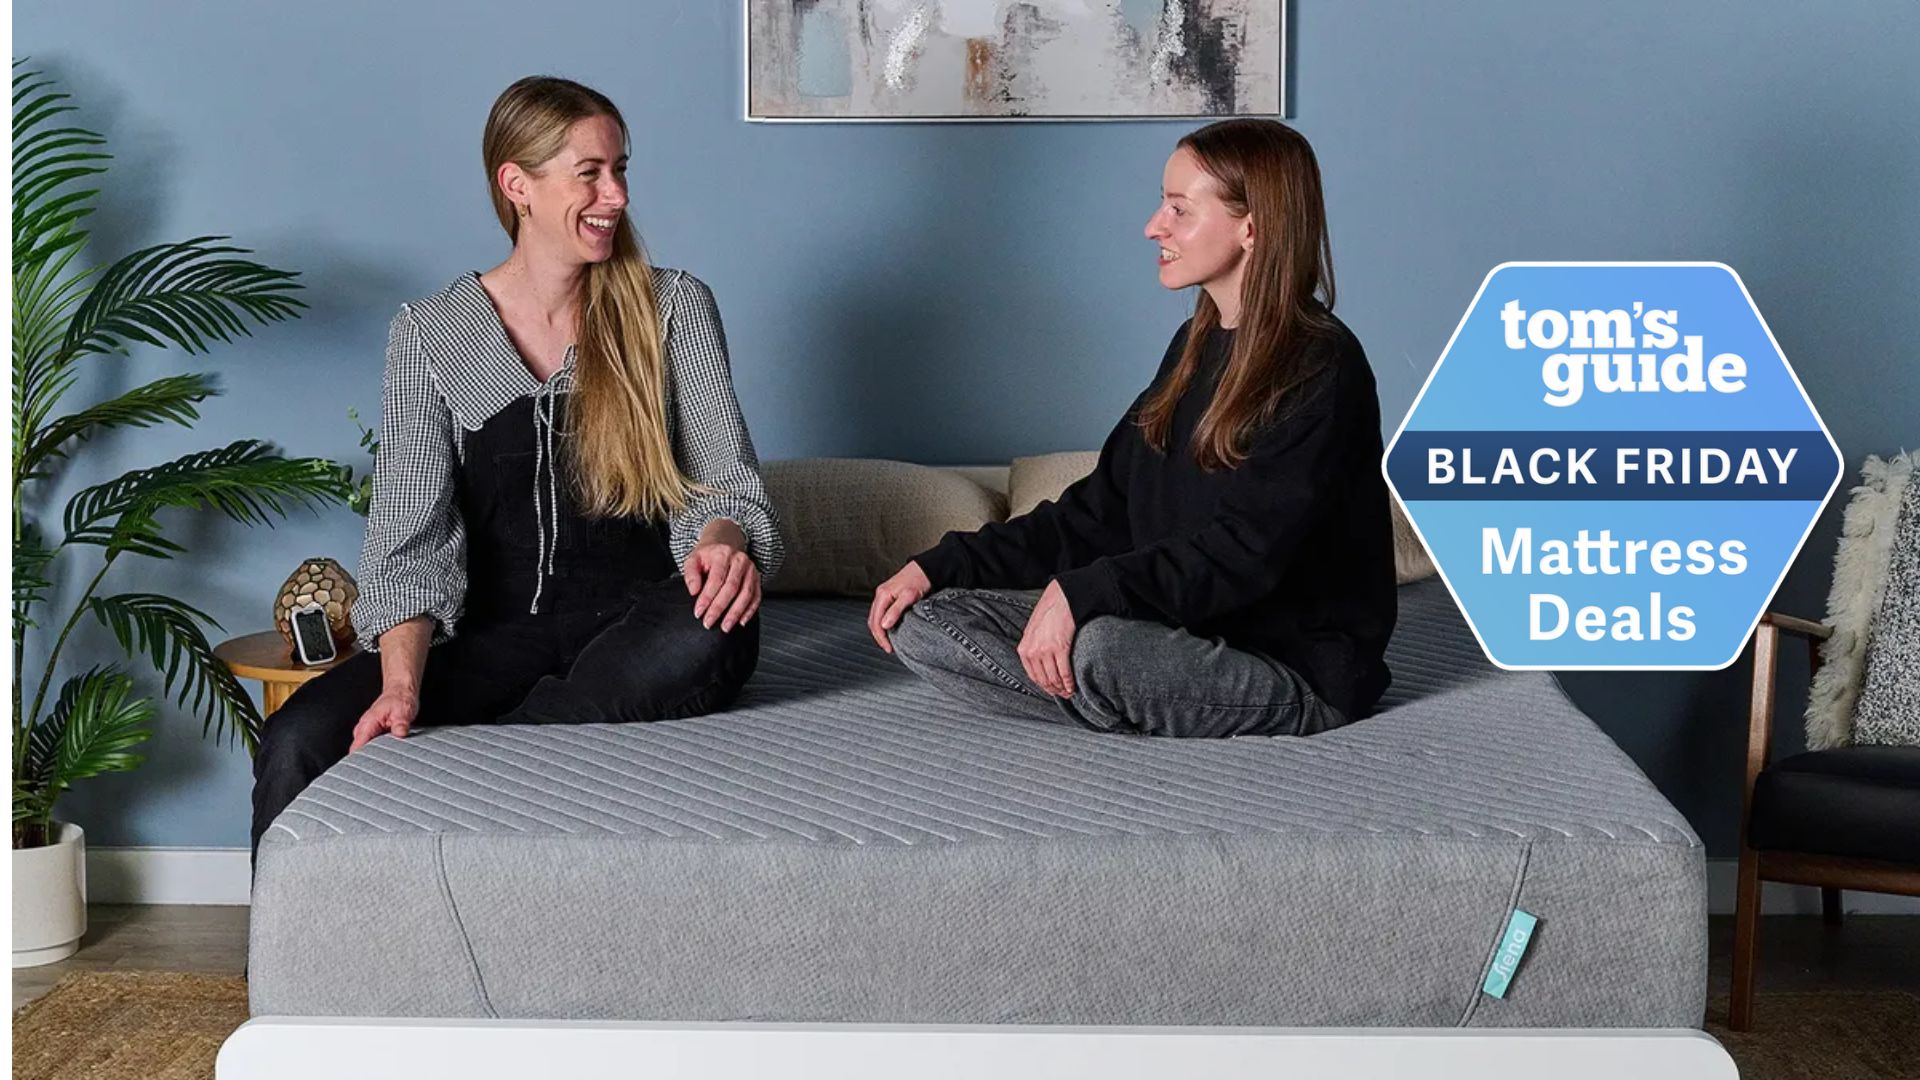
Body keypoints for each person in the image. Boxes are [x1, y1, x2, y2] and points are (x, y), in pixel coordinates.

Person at [251, 76, 783, 854]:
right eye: (591, 173)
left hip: (640, 628)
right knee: (298, 736)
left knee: (710, 629)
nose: (618, 196)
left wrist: (722, 543)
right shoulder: (433, 336)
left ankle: (489, 749)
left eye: (622, 169)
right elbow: (408, 544)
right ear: (517, 185)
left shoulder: (672, 309)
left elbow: (723, 485)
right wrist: (404, 686)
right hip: (493, 638)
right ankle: (280, 974)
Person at [868, 118, 1394, 739]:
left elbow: (1244, 556)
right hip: (1178, 629)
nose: (1154, 226)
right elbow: (1099, 511)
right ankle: (1107, 695)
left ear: (1251, 227)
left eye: (1179, 209)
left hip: (1290, 665)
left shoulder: (1323, 365)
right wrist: (940, 564)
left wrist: (1088, 594)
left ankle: (1100, 686)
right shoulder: (1194, 347)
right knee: (925, 619)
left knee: (1100, 648)